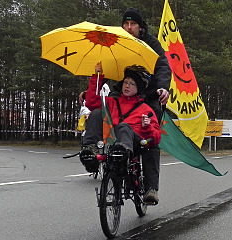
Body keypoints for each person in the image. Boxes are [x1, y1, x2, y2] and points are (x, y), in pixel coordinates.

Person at [78, 8, 171, 204]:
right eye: (126, 24)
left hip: (148, 93)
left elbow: (163, 66)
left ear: (140, 27)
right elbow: (104, 66)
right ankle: (93, 152)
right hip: (121, 91)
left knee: (151, 141)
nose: (129, 28)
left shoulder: (151, 43)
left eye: (133, 25)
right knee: (99, 111)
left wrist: (163, 88)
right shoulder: (116, 40)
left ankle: (151, 188)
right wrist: (90, 92)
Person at [80, 63, 162, 204]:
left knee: (125, 128)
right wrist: (97, 77)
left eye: (132, 84)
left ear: (139, 89)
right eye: (125, 82)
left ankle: (150, 189)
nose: (127, 86)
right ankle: (90, 150)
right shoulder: (112, 102)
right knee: (96, 112)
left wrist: (147, 127)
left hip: (132, 144)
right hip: (110, 139)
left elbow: (156, 138)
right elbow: (91, 102)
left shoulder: (145, 109)